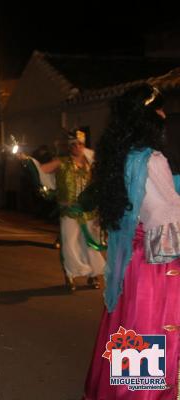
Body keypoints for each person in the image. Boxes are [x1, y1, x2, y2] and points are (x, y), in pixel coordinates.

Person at [84, 84, 180, 399]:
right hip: (158, 254)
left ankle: (125, 392)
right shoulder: (151, 159)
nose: (165, 115)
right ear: (148, 117)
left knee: (132, 323)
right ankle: (138, 395)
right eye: (160, 109)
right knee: (150, 323)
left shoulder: (119, 155)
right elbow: (163, 213)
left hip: (134, 255)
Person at [39, 129, 105, 291]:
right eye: (74, 144)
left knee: (90, 244)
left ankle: (93, 274)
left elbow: (100, 184)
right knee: (69, 243)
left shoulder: (92, 164)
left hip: (89, 211)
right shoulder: (61, 162)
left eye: (80, 144)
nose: (77, 147)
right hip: (69, 211)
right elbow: (41, 170)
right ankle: (70, 275)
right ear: (69, 147)